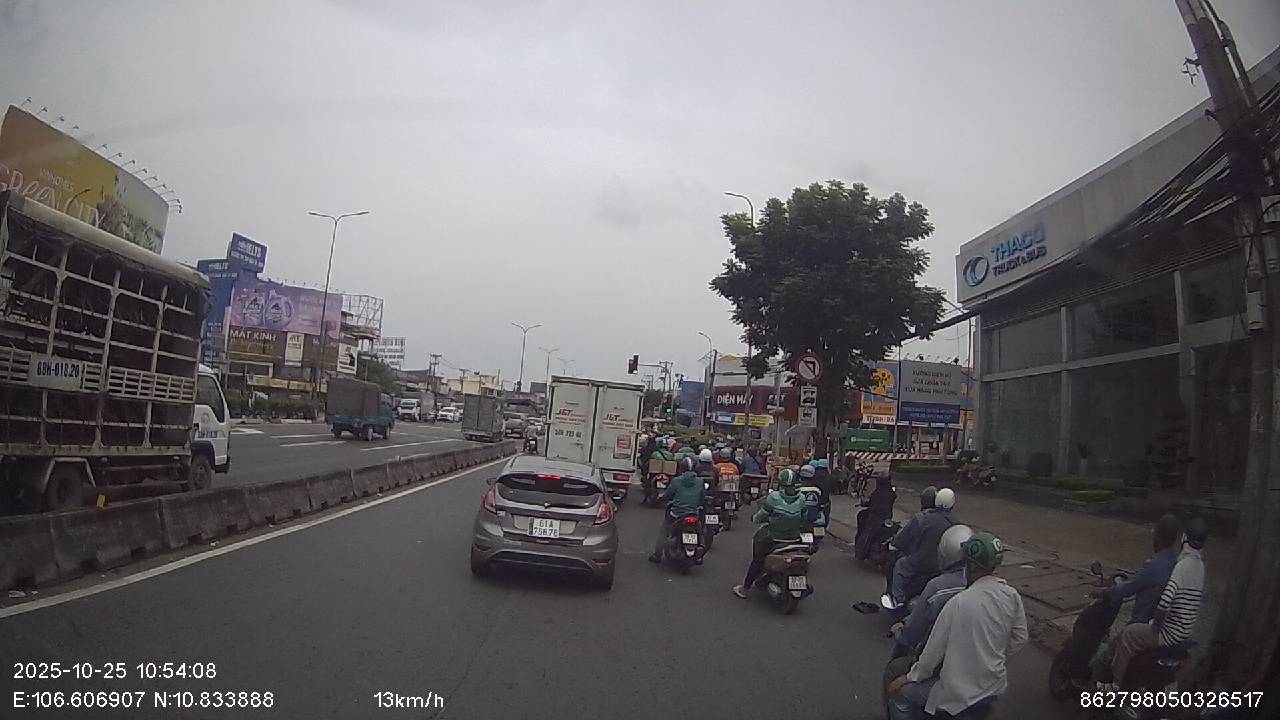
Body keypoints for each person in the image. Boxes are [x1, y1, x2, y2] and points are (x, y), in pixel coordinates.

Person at [887, 532, 1028, 720]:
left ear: (970, 566)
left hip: (956, 695)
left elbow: (932, 653)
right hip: (992, 687)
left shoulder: (959, 602)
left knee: (900, 694)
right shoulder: (1011, 595)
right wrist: (991, 660)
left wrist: (909, 678)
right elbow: (1020, 638)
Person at [1108, 516, 1207, 687]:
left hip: (1166, 633)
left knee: (1126, 635)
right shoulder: (1198, 566)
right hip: (1184, 634)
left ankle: (1116, 687)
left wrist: (1155, 626)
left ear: (1184, 538)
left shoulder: (1180, 565)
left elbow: (1165, 600)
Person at [892, 524, 974, 657]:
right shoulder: (994, 591)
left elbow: (914, 629)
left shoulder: (938, 587)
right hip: (977, 657)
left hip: (937, 656)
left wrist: (901, 633)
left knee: (896, 665)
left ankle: (898, 599)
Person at [732, 469, 806, 598]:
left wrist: (755, 518)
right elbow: (804, 518)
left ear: (780, 482)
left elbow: (761, 515)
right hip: (795, 539)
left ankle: (745, 588)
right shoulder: (801, 498)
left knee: (757, 560)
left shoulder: (774, 497)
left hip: (774, 538)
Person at [1097, 514, 1181, 625]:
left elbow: (1127, 588)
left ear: (1157, 536)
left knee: (1124, 635)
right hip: (1160, 622)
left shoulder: (1154, 565)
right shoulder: (1175, 561)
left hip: (1142, 622)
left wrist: (1103, 592)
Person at [883, 487, 957, 609]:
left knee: (900, 565)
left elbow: (900, 541)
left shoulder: (922, 518)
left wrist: (896, 542)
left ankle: (898, 600)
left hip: (921, 562)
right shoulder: (955, 522)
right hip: (943, 565)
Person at [649, 457, 706, 563]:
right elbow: (703, 498)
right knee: (700, 532)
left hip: (677, 514)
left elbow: (668, 495)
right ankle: (699, 556)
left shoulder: (676, 481)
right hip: (693, 514)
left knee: (664, 531)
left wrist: (661, 498)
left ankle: (657, 555)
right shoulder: (700, 482)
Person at [855, 471, 898, 559]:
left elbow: (872, 502)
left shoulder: (879, 492)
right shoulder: (890, 491)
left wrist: (864, 503)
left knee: (867, 533)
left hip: (876, 518)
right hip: (887, 517)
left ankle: (861, 553)